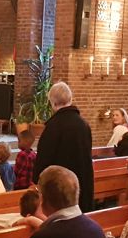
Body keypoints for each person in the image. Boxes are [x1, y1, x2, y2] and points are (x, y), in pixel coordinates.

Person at [33, 82, 94, 212]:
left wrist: (36, 179)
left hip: (60, 193)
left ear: (53, 103)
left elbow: (43, 160)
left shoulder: (53, 127)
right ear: (70, 99)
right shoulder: (83, 125)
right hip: (81, 188)